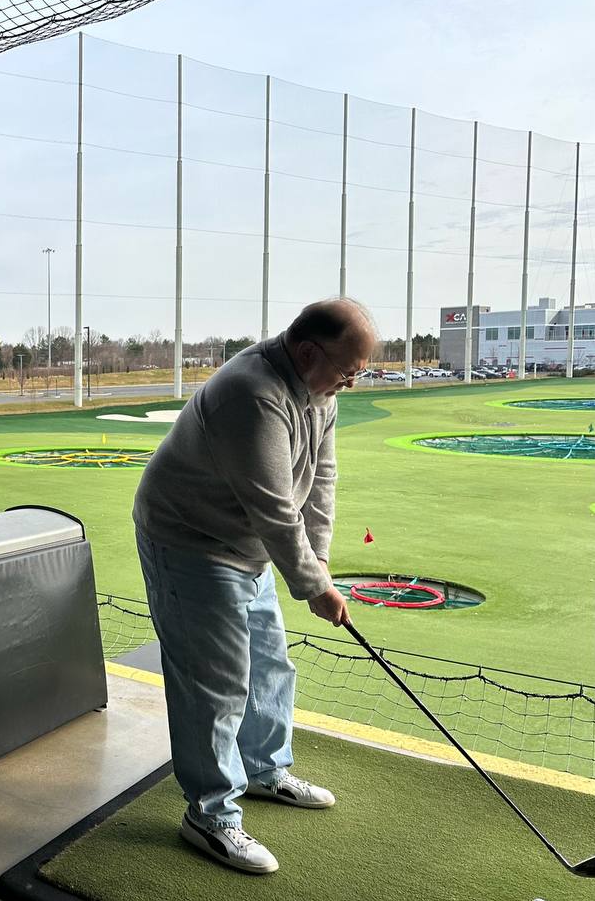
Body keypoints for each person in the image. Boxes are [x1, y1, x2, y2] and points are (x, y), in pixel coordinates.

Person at [131, 298, 374, 875]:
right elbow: (272, 509)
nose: (352, 382)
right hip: (190, 540)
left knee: (269, 666)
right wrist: (313, 586)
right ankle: (210, 816)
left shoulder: (320, 391)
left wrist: (320, 562)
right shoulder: (252, 392)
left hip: (246, 546)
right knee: (214, 684)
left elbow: (320, 479)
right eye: (348, 370)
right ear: (308, 350)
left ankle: (264, 770)